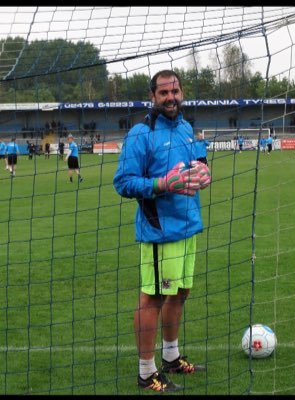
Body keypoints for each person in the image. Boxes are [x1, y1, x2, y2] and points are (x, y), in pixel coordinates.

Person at [113, 69, 211, 393]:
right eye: (164, 93)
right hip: (159, 231)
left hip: (188, 226)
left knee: (181, 293)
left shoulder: (185, 127)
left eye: (175, 91)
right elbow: (123, 182)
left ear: (182, 93)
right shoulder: (141, 134)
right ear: (153, 97)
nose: (171, 98)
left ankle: (171, 357)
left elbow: (198, 158)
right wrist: (161, 184)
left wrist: (203, 169)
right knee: (152, 298)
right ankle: (146, 372)